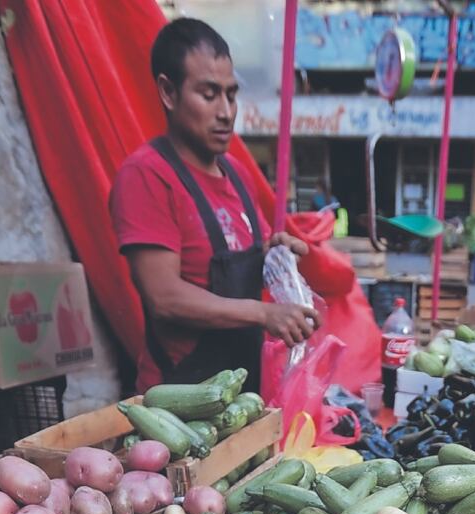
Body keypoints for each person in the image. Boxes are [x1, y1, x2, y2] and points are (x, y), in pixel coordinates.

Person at [110, 18, 319, 393]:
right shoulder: (147, 176)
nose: (226, 112)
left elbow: (241, 256)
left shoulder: (237, 174)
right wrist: (263, 313)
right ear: (168, 92)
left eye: (231, 95)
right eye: (209, 95)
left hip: (240, 394)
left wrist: (277, 256)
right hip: (179, 399)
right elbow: (165, 298)